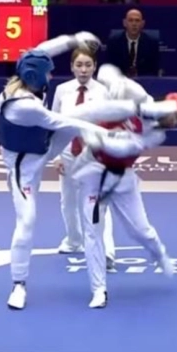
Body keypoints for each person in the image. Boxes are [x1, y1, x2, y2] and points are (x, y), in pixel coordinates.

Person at [0, 33, 177, 310]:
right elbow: (60, 121)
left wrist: (73, 40)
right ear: (35, 77)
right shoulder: (21, 107)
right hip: (25, 166)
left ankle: (145, 108)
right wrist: (105, 134)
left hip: (45, 145)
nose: (51, 75)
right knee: (27, 221)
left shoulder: (25, 73)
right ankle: (18, 284)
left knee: (88, 109)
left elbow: (43, 49)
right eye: (47, 73)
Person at [74, 64, 177, 309]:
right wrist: (118, 85)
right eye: (176, 114)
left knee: (140, 232)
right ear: (168, 104)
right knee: (92, 232)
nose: (174, 122)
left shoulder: (156, 135)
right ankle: (98, 290)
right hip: (93, 170)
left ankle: (159, 253)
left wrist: (99, 139)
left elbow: (123, 149)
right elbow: (106, 72)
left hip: (122, 178)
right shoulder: (140, 97)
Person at [51, 48, 116, 269]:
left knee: (99, 203)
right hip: (68, 152)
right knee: (68, 202)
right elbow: (54, 123)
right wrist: (56, 156)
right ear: (72, 67)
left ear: (94, 66)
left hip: (94, 153)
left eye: (88, 65)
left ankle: (107, 251)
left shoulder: (104, 92)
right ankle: (74, 241)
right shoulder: (62, 90)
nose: (84, 70)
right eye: (79, 65)